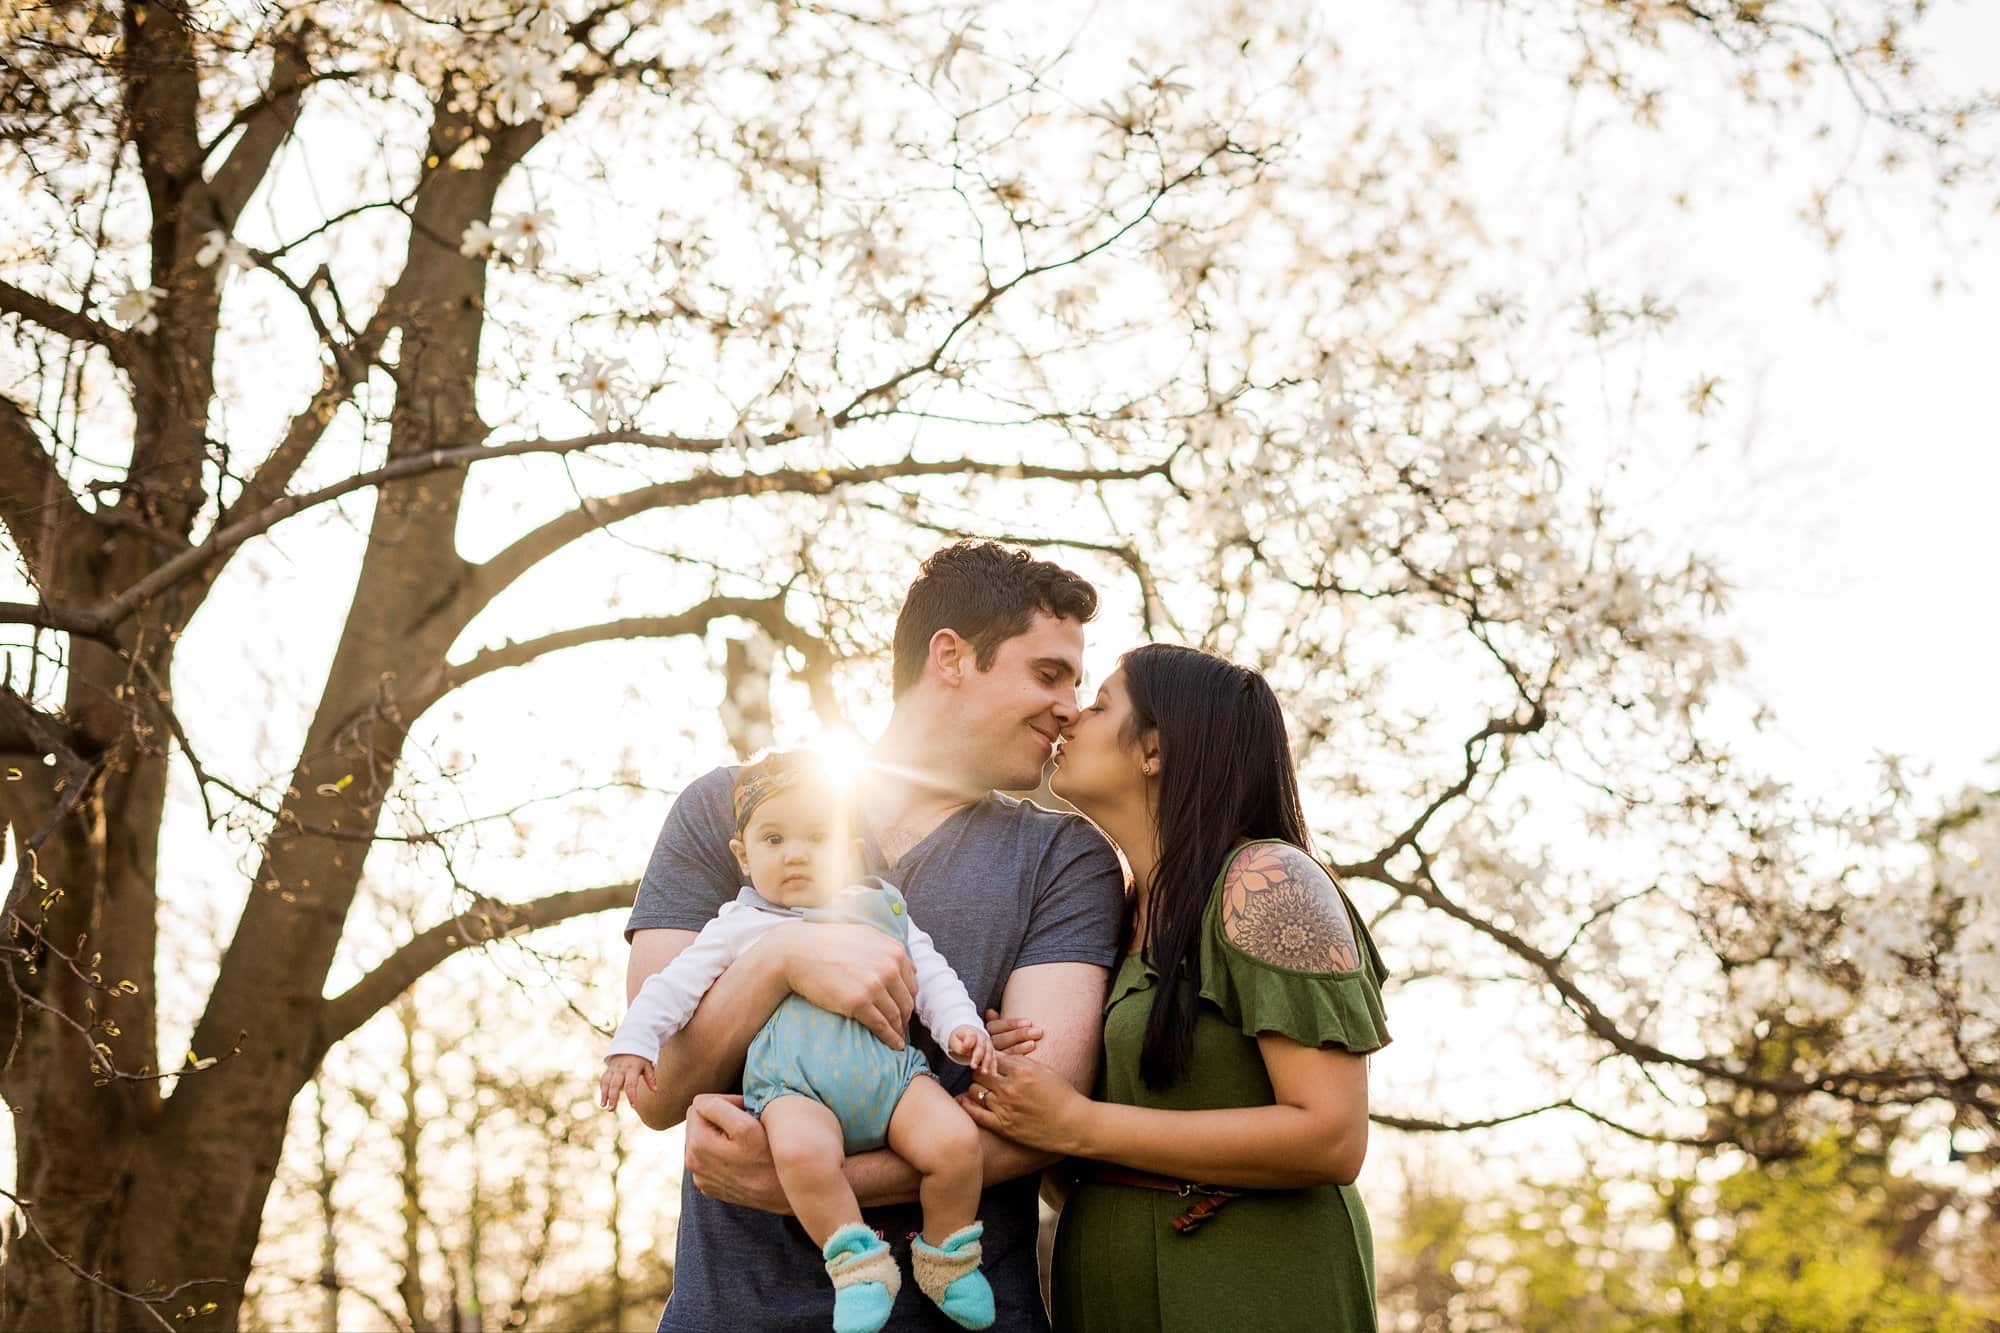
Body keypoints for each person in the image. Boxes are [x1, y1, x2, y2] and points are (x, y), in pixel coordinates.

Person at [621, 542, 1127, 1332]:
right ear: (951, 656)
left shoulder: (1066, 856)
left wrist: (799, 1176)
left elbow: (1039, 1119)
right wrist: (783, 958)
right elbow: (657, 1090)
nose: (1070, 705)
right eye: (1048, 674)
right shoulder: (733, 811)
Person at [962, 644, 1391, 1333]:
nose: (1070, 715)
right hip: (1107, 1292)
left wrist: (1077, 1120)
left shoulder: (1266, 882)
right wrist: (1018, 1093)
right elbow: (1098, 1153)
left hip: (1255, 1291)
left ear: (1155, 748)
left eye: (1100, 703)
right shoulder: (1113, 916)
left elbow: (1333, 1135)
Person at [603, 752, 1001, 1331]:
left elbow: (932, 974)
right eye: (773, 838)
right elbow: (672, 990)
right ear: (743, 855)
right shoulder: (738, 927)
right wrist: (632, 1045)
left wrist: (963, 1028)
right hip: (796, 1092)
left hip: (892, 1079)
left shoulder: (883, 907)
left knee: (957, 1144)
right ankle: (858, 1265)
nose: (795, 853)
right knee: (800, 1158)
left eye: (818, 837)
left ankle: (946, 1258)